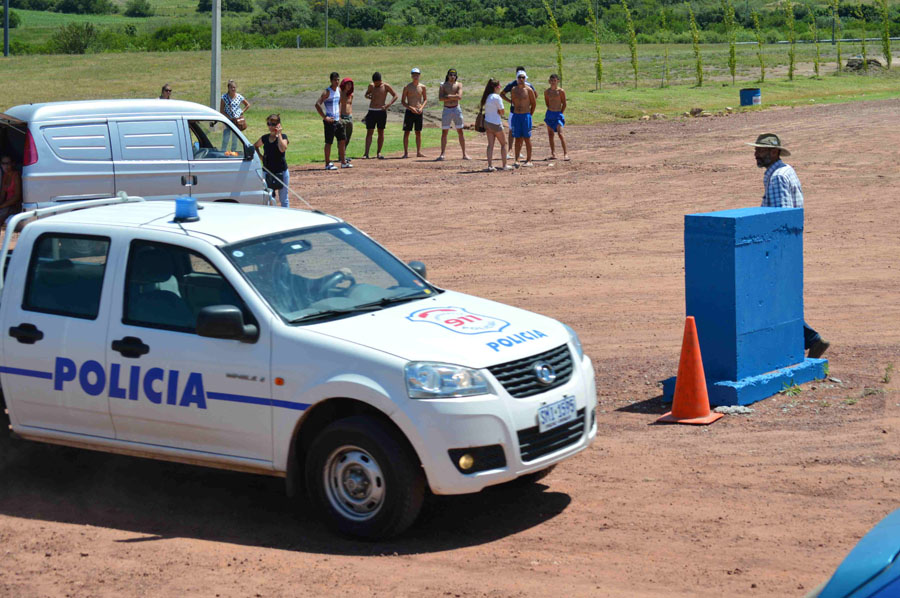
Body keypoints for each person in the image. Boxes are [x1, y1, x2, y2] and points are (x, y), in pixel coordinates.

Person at [748, 132, 830, 359]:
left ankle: (811, 339)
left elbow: (780, 218)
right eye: (756, 150)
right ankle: (808, 340)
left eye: (761, 150)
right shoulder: (785, 171)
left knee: (772, 297)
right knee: (779, 297)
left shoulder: (777, 177)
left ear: (774, 152)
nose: (756, 154)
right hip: (787, 247)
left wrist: (773, 254)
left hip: (779, 249)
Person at [253, 114, 290, 208]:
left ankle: (286, 215)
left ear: (278, 125)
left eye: (273, 124)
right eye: (269, 124)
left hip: (281, 171)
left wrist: (279, 134)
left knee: (284, 199)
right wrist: (261, 157)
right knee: (269, 198)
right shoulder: (265, 138)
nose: (270, 126)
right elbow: (255, 146)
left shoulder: (283, 137)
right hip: (267, 172)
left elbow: (282, 149)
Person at [500, 66, 535, 160]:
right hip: (514, 113)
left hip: (525, 114)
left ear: (525, 77)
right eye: (519, 77)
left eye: (523, 77)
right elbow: (502, 93)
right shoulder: (512, 87)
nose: (521, 79)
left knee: (526, 137)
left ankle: (528, 159)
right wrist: (511, 102)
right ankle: (512, 152)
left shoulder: (529, 88)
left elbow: (534, 101)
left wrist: (529, 113)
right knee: (514, 133)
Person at [315, 72, 348, 171]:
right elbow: (317, 104)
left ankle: (343, 162)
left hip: (337, 120)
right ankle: (327, 163)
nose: (337, 82)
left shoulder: (339, 90)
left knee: (342, 140)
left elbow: (339, 102)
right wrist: (325, 117)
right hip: (330, 121)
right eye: (335, 80)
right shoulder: (327, 92)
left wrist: (340, 115)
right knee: (329, 142)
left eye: (338, 80)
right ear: (331, 81)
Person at [437, 69, 470, 161]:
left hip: (456, 109)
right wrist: (453, 96)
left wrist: (448, 96)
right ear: (448, 75)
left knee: (460, 131)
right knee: (444, 132)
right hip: (447, 109)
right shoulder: (443, 85)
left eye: (454, 75)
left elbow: (459, 97)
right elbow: (440, 98)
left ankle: (464, 154)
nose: (452, 76)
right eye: (451, 75)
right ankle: (442, 154)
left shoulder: (459, 84)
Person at [363, 72, 397, 160]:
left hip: (381, 111)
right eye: (375, 83)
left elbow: (395, 96)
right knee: (369, 131)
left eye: (378, 83)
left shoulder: (386, 86)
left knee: (380, 131)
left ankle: (379, 152)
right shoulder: (371, 86)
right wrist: (369, 96)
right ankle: (366, 153)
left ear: (381, 81)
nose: (376, 84)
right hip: (372, 110)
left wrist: (388, 105)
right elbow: (366, 94)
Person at [479, 79, 511, 172]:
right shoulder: (497, 97)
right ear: (496, 87)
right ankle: (504, 165)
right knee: (504, 144)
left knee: (490, 145)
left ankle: (490, 165)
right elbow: (502, 112)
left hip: (487, 122)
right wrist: (499, 111)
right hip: (496, 123)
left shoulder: (487, 97)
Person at [401, 67, 427, 158]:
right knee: (407, 132)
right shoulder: (407, 87)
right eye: (414, 75)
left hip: (419, 112)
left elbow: (425, 99)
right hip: (409, 112)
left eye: (417, 75)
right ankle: (405, 153)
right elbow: (403, 101)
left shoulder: (422, 87)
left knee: (418, 132)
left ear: (419, 75)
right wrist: (410, 108)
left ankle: (418, 152)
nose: (415, 76)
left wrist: (421, 108)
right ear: (411, 76)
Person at [219, 79, 250, 152]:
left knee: (235, 138)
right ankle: (223, 152)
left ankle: (233, 152)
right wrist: (229, 117)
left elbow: (247, 105)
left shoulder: (239, 96)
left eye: (234, 87)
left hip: (237, 121)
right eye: (231, 87)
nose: (233, 89)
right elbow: (221, 111)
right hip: (228, 120)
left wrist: (242, 112)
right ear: (228, 88)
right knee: (226, 137)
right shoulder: (224, 97)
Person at [543, 74, 569, 161]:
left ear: (558, 81)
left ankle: (565, 154)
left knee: (560, 134)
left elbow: (564, 103)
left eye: (555, 80)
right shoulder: (547, 92)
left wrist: (560, 113)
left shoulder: (561, 91)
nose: (553, 82)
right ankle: (553, 153)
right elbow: (547, 103)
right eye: (551, 80)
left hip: (558, 114)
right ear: (549, 81)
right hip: (550, 114)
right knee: (550, 134)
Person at [0, 156, 22, 226]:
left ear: (12, 164)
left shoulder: (16, 176)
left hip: (14, 206)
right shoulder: (5, 176)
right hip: (6, 205)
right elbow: (2, 195)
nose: (5, 166)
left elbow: (17, 197)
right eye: (3, 163)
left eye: (8, 163)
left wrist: (2, 206)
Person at [339, 78, 355, 165]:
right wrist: (339, 116)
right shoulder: (340, 93)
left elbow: (350, 105)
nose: (349, 86)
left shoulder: (351, 94)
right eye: (347, 84)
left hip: (349, 117)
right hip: (343, 117)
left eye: (350, 84)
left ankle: (343, 154)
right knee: (342, 137)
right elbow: (339, 104)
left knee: (348, 137)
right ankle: (341, 156)